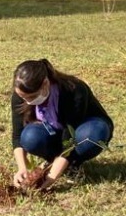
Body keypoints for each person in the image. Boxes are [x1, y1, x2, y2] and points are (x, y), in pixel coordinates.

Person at [11, 59, 113, 188]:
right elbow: (17, 135)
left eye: (32, 96)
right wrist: (22, 168)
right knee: (30, 137)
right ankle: (55, 160)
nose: (27, 101)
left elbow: (69, 139)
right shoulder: (21, 93)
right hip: (55, 131)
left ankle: (72, 162)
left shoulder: (73, 89)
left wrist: (52, 176)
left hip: (83, 128)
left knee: (92, 135)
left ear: (45, 83)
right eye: (23, 97)